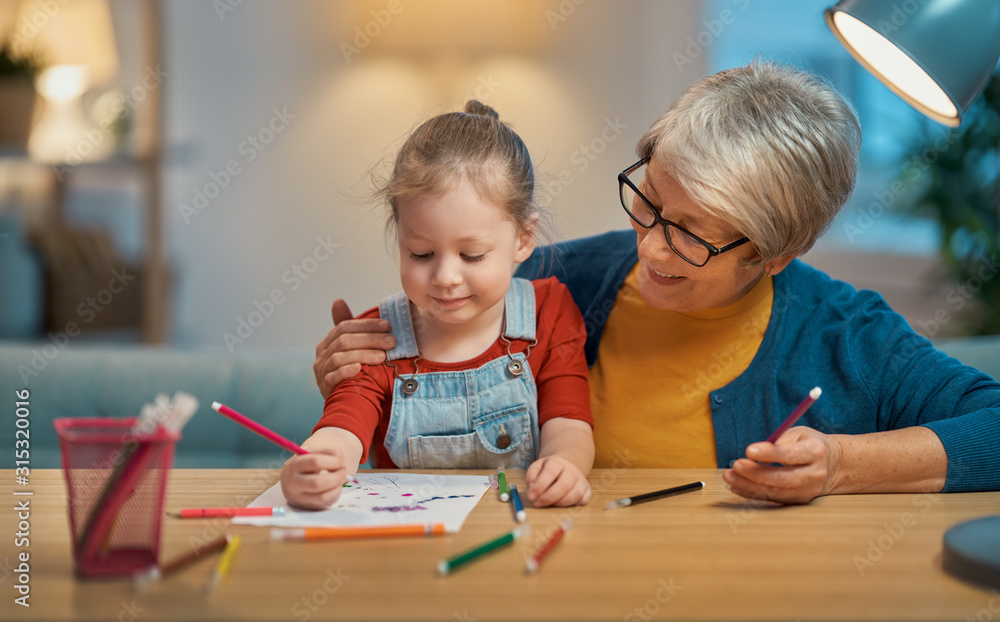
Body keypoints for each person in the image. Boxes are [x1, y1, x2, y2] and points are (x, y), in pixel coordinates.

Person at [313, 61, 1000, 505]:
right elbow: (418, 365)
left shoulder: (848, 338)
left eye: (692, 235)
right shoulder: (561, 280)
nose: (649, 245)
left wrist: (843, 464)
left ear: (775, 252)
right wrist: (349, 370)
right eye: (649, 201)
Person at [283, 100, 594, 511]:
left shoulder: (549, 312)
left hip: (517, 527)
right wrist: (318, 462)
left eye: (472, 255)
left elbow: (569, 422)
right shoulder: (375, 337)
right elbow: (342, 430)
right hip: (406, 545)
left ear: (522, 238)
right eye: (421, 253)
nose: (446, 277)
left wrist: (566, 465)